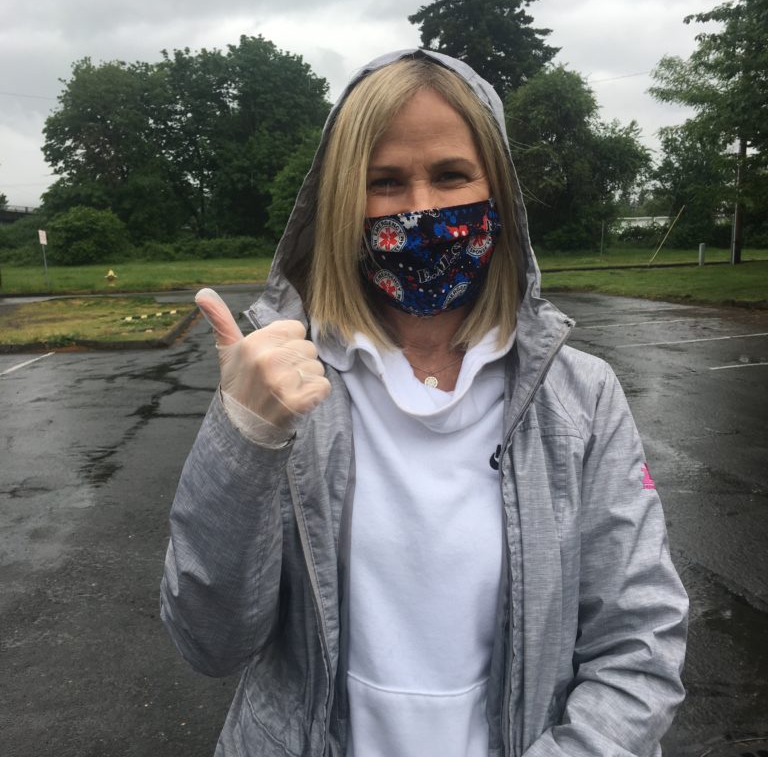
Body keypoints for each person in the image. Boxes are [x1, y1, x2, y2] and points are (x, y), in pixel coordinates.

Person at [160, 49, 688, 757]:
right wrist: (243, 440)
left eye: (450, 175)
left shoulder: (581, 398)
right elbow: (210, 641)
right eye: (384, 182)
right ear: (344, 201)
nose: (421, 208)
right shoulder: (283, 384)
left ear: (499, 192)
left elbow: (640, 644)